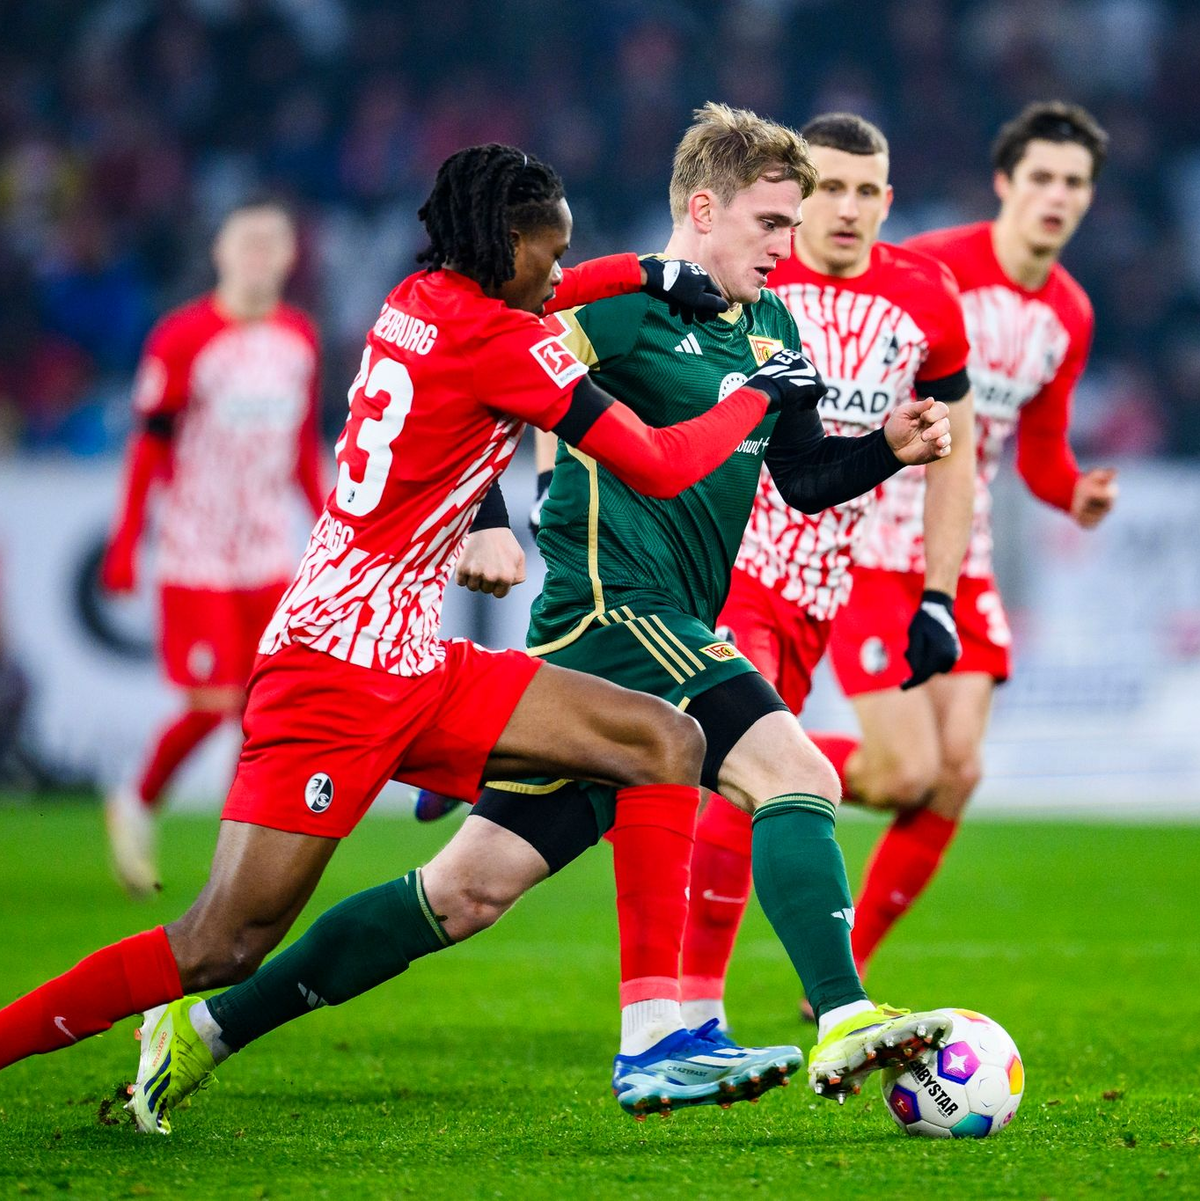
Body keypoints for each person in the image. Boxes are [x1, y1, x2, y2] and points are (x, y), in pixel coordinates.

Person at [124, 104, 958, 1135]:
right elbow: (465, 386)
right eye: (773, 223)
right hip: (614, 611)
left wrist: (885, 444)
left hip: (648, 625)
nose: (791, 247)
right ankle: (840, 1014)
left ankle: (203, 1030)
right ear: (705, 209)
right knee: (797, 772)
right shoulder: (606, 307)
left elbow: (798, 476)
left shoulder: (772, 327)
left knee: (464, 892)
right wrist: (482, 513)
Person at [0, 144, 815, 1116]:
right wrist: (759, 395)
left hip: (412, 655)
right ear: (508, 244)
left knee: (660, 738)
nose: (562, 275)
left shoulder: (418, 295)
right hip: (332, 677)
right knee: (220, 942)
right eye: (552, 255)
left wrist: (642, 273)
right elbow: (660, 462)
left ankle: (656, 1040)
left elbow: (535, 309)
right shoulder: (504, 342)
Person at [676, 112, 976, 1033]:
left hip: (823, 579)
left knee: (757, 774)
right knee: (757, 770)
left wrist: (938, 590)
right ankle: (689, 1016)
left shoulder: (927, 297)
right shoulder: (750, 276)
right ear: (798, 201)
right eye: (827, 190)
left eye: (863, 191)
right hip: (736, 568)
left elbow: (953, 447)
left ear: (888, 201)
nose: (844, 209)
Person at [826, 102, 1118, 985]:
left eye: (1074, 183)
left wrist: (1075, 492)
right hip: (869, 539)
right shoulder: (931, 268)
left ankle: (837, 973)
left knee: (956, 772)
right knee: (906, 771)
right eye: (1042, 178)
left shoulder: (1069, 314)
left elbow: (1039, 452)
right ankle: (723, 759)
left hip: (963, 555)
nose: (1056, 197)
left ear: (1090, 197)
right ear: (1006, 184)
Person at [101, 198, 325, 896]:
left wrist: (326, 526)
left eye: (272, 242)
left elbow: (301, 445)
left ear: (290, 257)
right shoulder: (183, 336)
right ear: (220, 252)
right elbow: (150, 444)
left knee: (265, 709)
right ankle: (136, 800)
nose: (259, 255)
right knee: (211, 701)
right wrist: (126, 539)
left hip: (265, 550)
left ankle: (237, 860)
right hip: (196, 549)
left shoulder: (298, 338)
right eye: (246, 242)